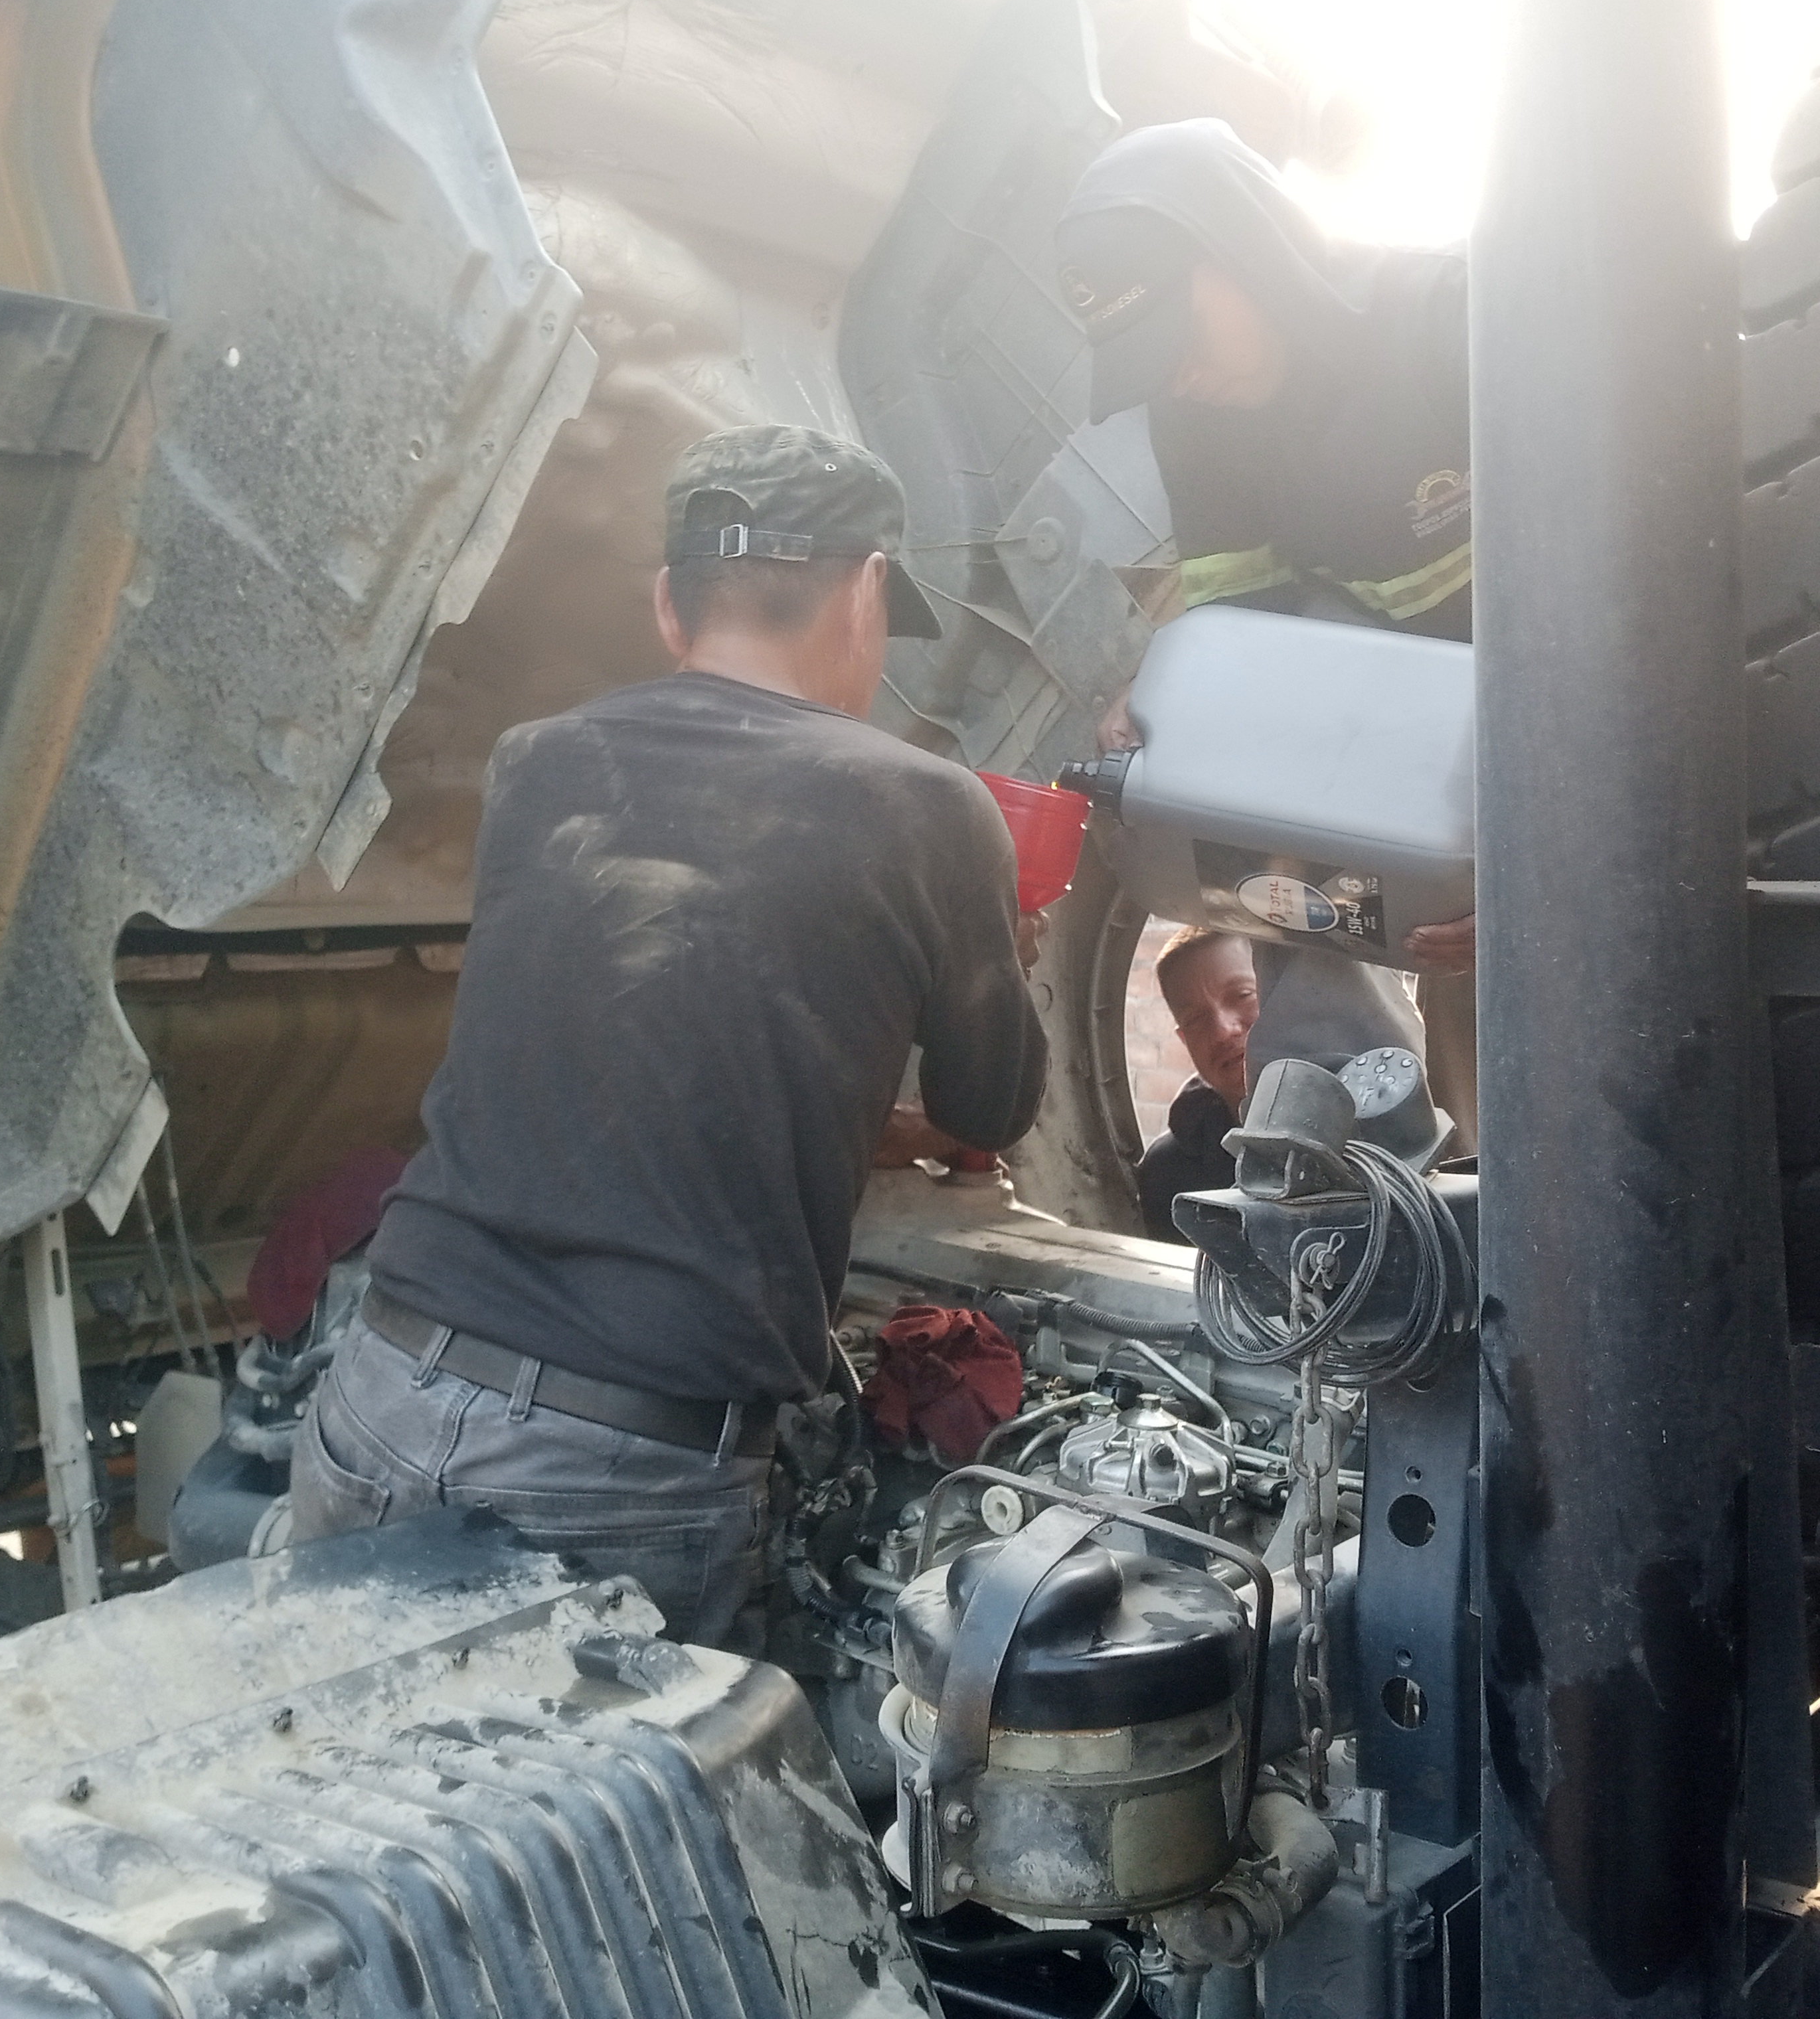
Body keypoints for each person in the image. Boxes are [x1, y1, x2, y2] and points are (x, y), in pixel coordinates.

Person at [290, 425, 1048, 1648]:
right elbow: (990, 1107)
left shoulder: (539, 762)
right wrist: (1006, 941)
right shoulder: (926, 806)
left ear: (667, 604)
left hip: (380, 1389)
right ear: (866, 590)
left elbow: (642, 1058)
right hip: (616, 1470)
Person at [1057, 118, 1475, 1145]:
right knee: (1266, 801)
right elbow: (1239, 623)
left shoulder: (1453, 317)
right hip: (1397, 769)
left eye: (1181, 335)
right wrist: (1172, 700)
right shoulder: (1201, 419)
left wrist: (1553, 856)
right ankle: (1340, 1145)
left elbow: (1638, 609)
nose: (1179, 375)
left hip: (1563, 730)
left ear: (1237, 247)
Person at [1135, 925, 1257, 1242]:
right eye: (1196, 1019)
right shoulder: (1167, 1174)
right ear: (1184, 1039)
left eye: (1242, 996)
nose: (1223, 1030)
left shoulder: (1368, 1130)